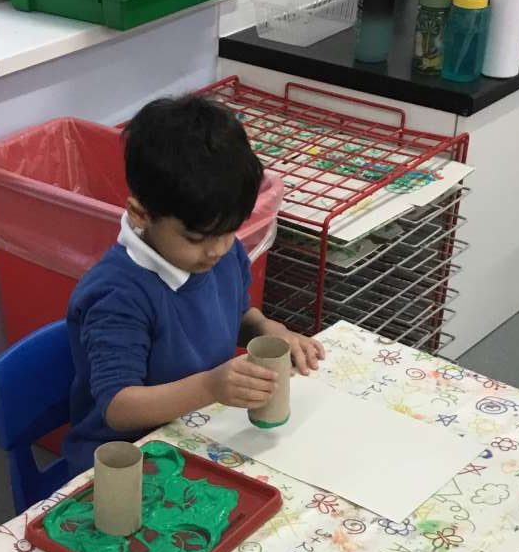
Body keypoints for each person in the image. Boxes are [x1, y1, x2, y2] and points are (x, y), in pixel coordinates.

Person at [64, 95, 324, 474]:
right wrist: (210, 387)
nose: (217, 249)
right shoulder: (118, 295)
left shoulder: (219, 253)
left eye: (228, 231)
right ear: (140, 214)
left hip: (198, 428)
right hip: (125, 462)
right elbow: (118, 407)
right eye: (196, 237)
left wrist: (266, 327)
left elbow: (233, 313)